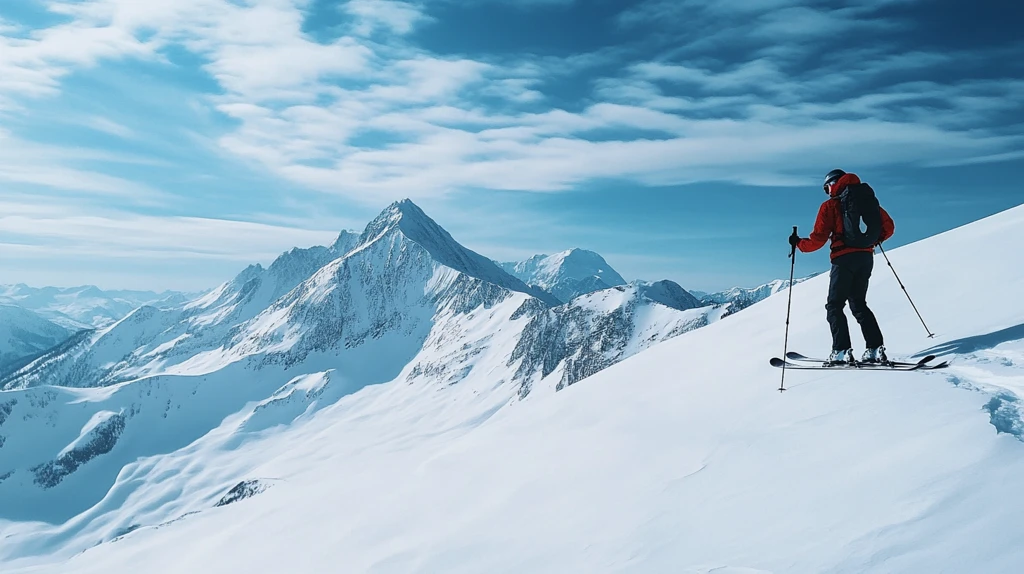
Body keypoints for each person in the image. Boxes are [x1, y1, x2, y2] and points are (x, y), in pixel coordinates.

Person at [789, 169, 895, 365]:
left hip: (843, 259)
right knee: (859, 304)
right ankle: (875, 349)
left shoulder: (830, 206)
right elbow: (888, 227)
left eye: (826, 187)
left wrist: (798, 244)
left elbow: (818, 239)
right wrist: (870, 242)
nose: (827, 192)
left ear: (832, 184)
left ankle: (840, 351)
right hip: (866, 258)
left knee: (835, 306)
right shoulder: (866, 200)